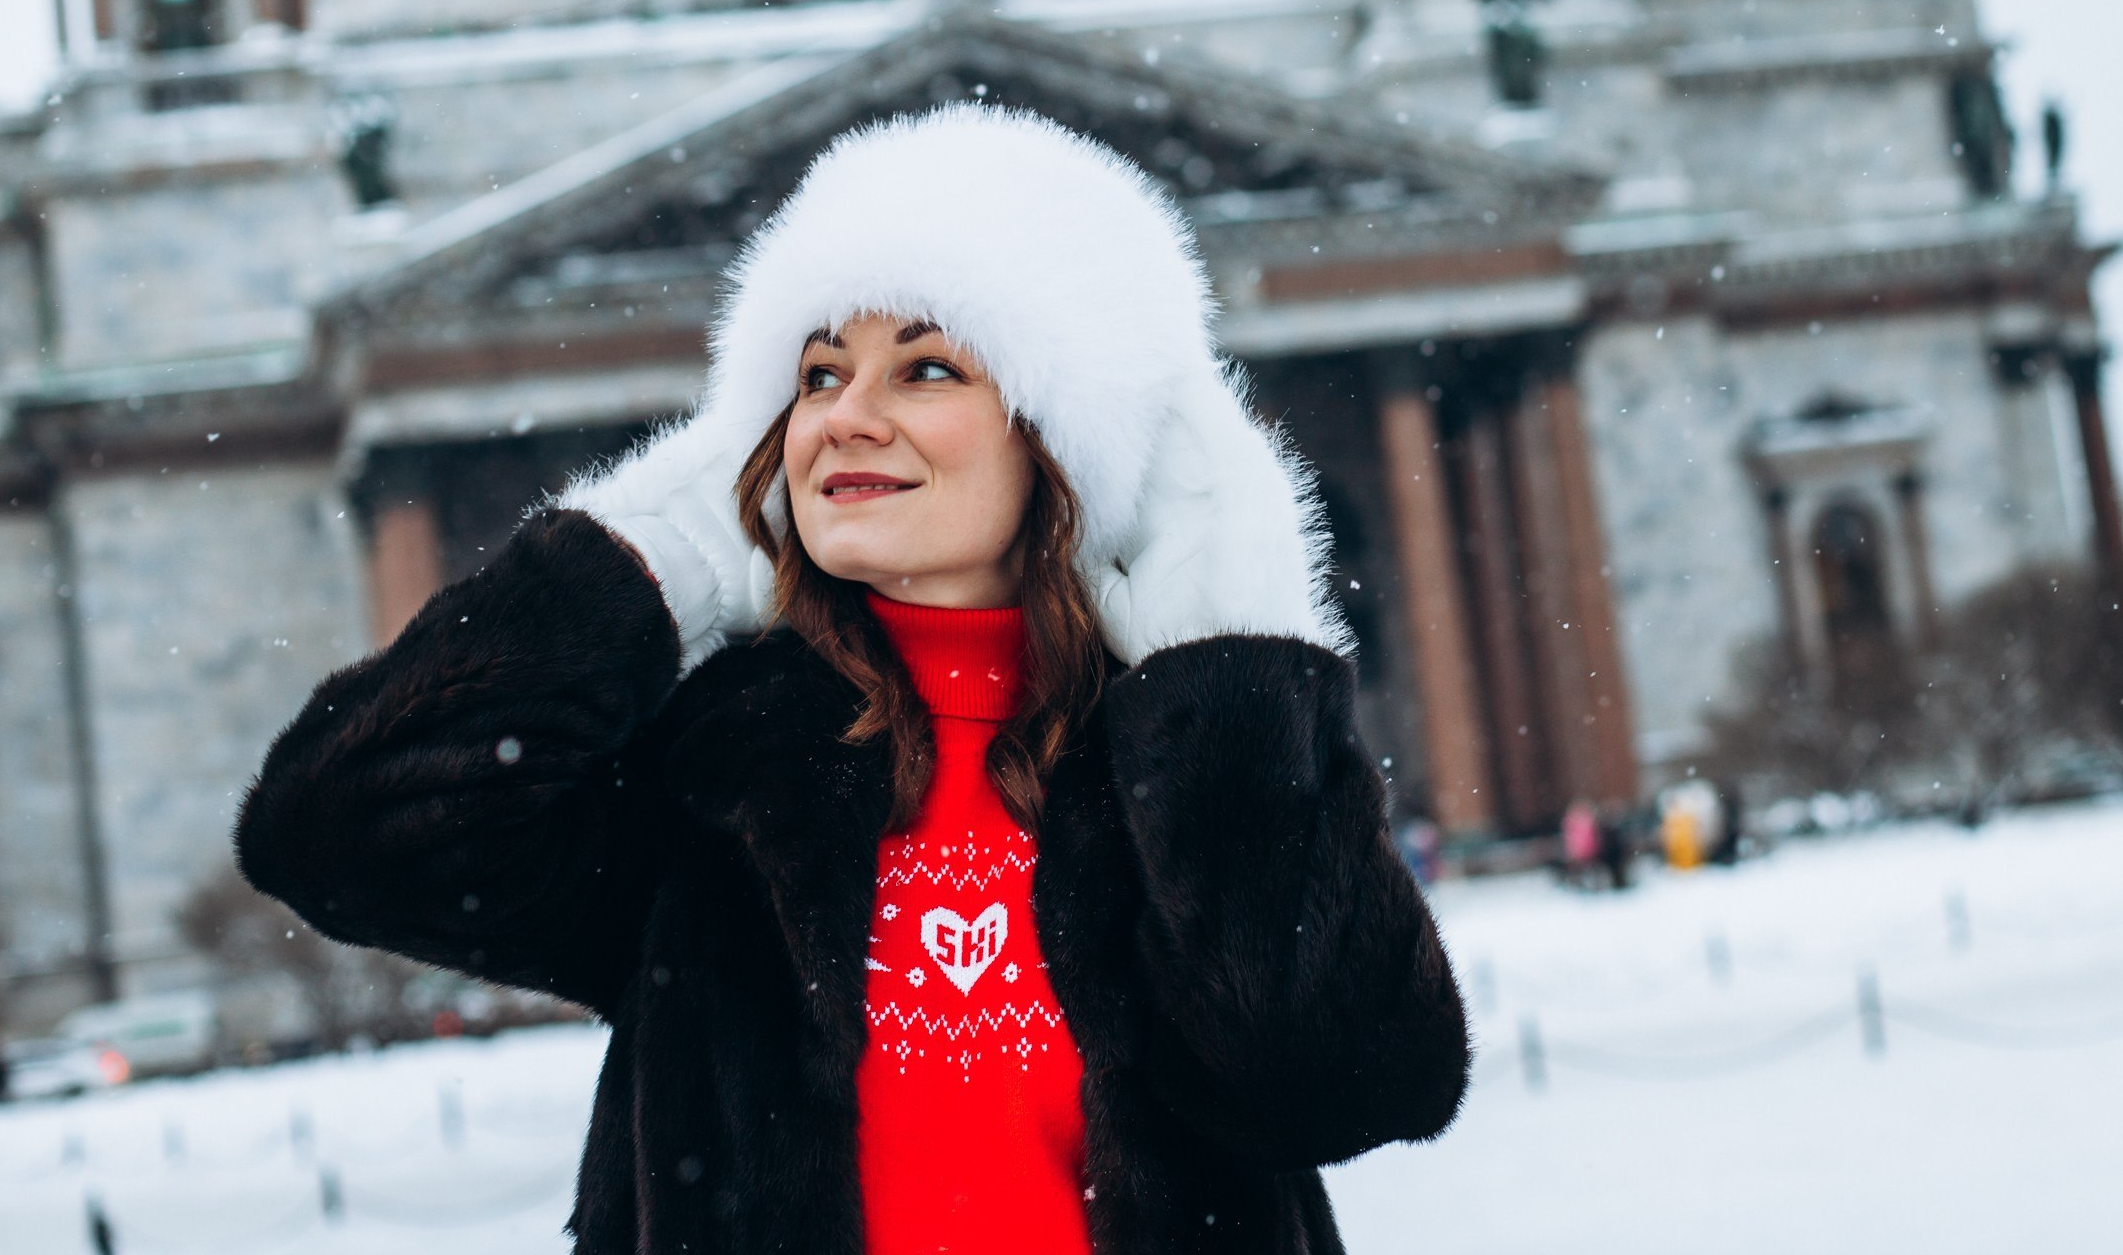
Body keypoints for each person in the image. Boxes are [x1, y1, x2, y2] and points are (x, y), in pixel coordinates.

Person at [239, 107, 1471, 1255]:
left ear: (1061, 433)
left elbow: (1349, 1077)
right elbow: (337, 832)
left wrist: (1234, 671)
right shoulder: (717, 778)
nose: (846, 417)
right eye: (818, 376)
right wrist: (653, 554)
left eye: (926, 369)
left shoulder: (1162, 767)